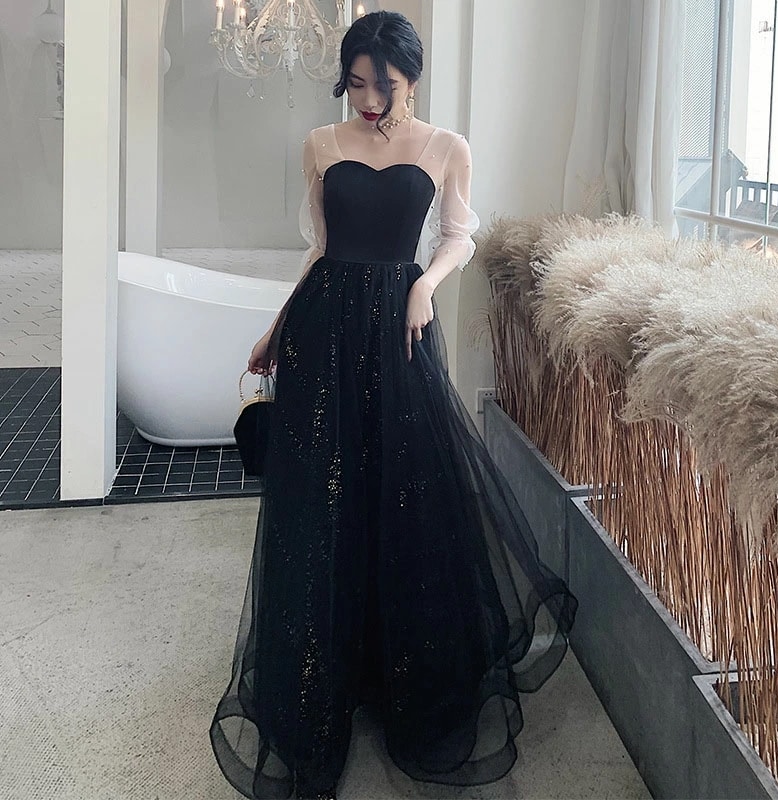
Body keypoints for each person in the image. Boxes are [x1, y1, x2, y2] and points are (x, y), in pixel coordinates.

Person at [210, 11, 577, 800]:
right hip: (323, 330)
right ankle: (320, 676)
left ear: (413, 79)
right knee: (323, 499)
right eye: (357, 83)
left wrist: (424, 285)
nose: (371, 99)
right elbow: (319, 248)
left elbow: (458, 235)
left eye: (387, 84)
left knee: (406, 495)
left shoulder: (446, 147)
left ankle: (400, 670)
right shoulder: (320, 144)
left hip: (398, 330)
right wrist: (277, 328)